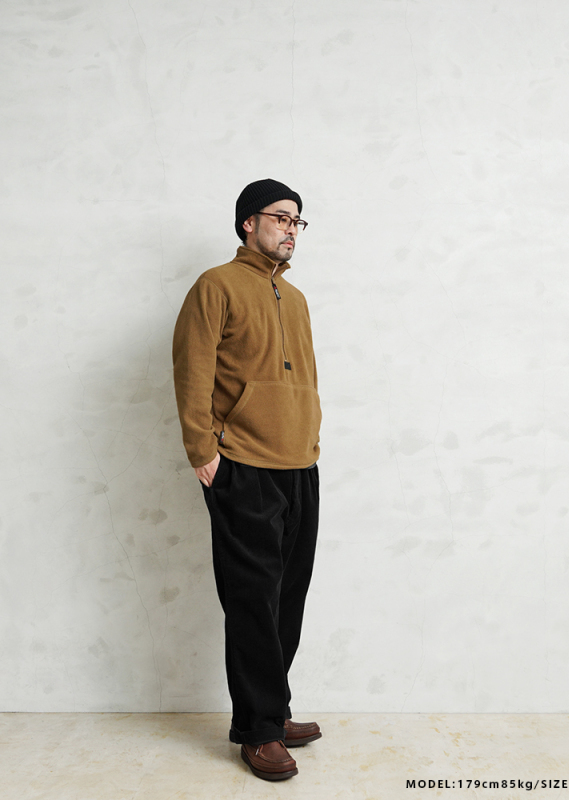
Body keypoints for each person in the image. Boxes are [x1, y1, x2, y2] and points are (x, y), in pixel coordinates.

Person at [172, 179, 322, 781]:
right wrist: (202, 451)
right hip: (243, 465)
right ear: (248, 223)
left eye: (297, 221)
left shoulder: (297, 298)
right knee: (252, 601)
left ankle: (273, 709)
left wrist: (311, 441)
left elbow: (304, 380)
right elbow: (192, 369)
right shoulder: (216, 285)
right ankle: (258, 732)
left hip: (299, 464)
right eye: (281, 218)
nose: (291, 229)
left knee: (288, 596)